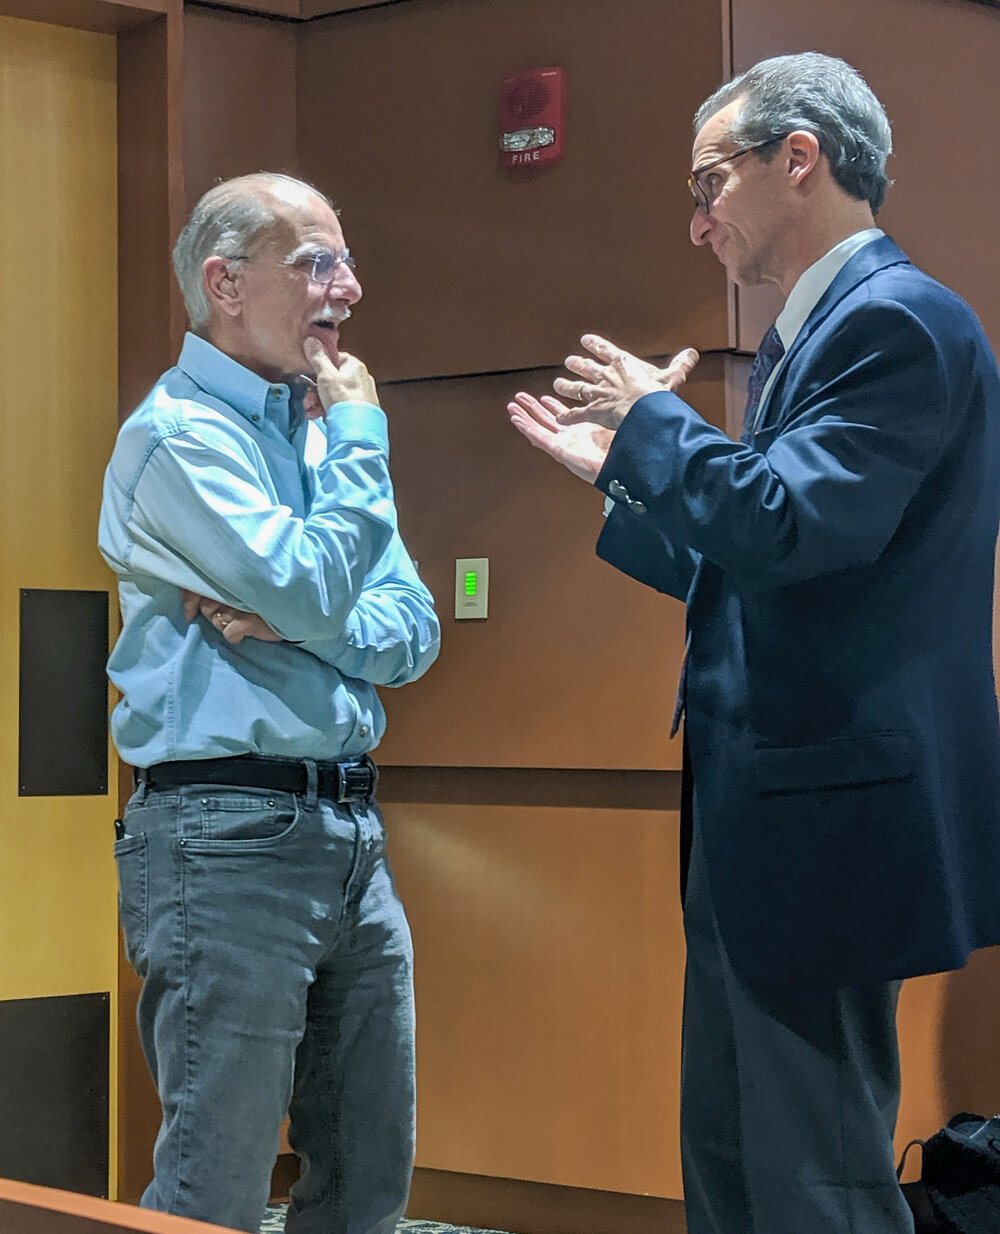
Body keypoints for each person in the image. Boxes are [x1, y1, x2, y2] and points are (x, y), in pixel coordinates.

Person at [508, 52, 1000, 1234]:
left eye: (707, 181)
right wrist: (629, 476)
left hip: (823, 808)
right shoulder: (823, 327)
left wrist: (653, 424)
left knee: (811, 1166)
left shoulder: (894, 322)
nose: (695, 223)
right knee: (736, 1148)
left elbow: (785, 526)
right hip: (769, 801)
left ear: (799, 159)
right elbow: (761, 559)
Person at [99, 172, 440, 1234]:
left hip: (350, 834)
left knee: (367, 1176)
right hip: (223, 834)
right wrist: (358, 463)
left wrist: (299, 618)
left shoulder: (315, 433)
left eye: (342, 258)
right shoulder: (178, 438)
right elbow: (316, 584)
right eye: (316, 261)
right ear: (225, 282)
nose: (349, 285)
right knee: (216, 1185)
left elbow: (414, 630)